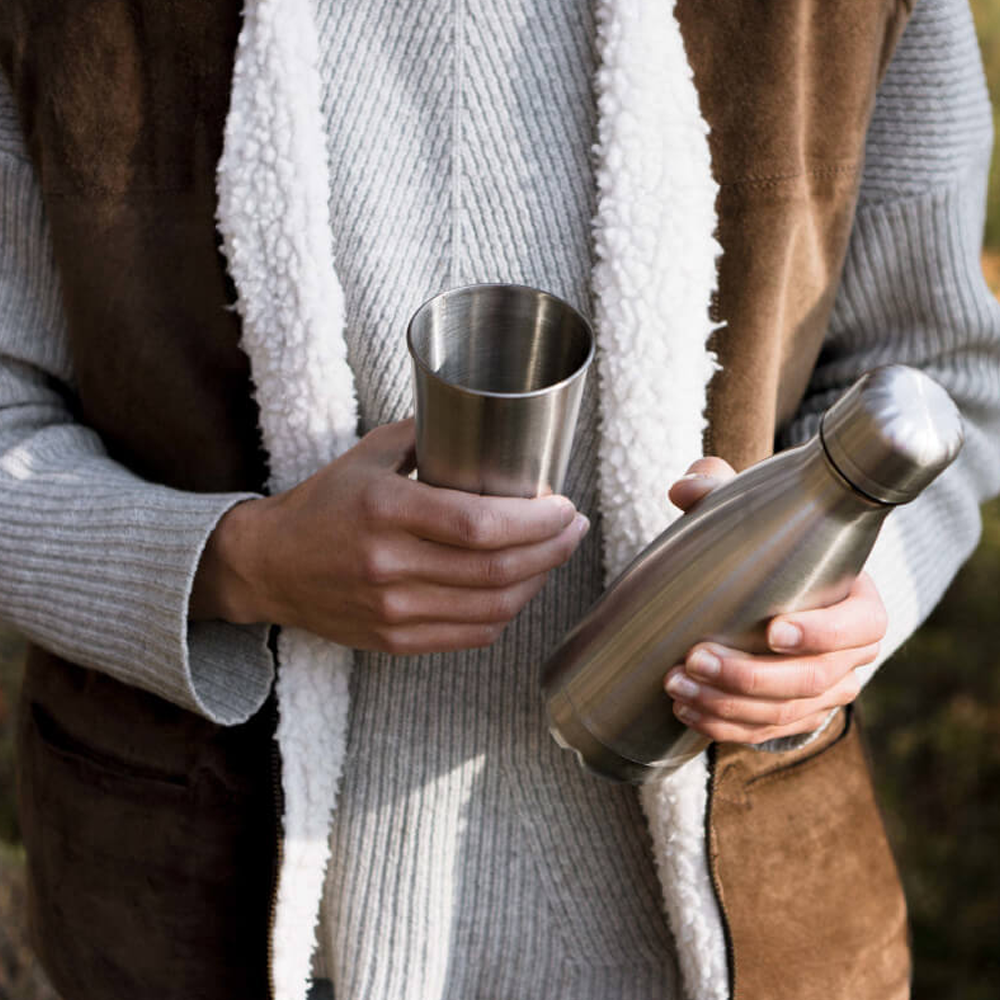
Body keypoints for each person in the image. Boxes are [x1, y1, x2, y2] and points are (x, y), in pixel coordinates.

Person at [1, 0, 998, 998]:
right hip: (195, 912)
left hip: (734, 930)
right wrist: (237, 562)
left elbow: (941, 374)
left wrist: (857, 596)